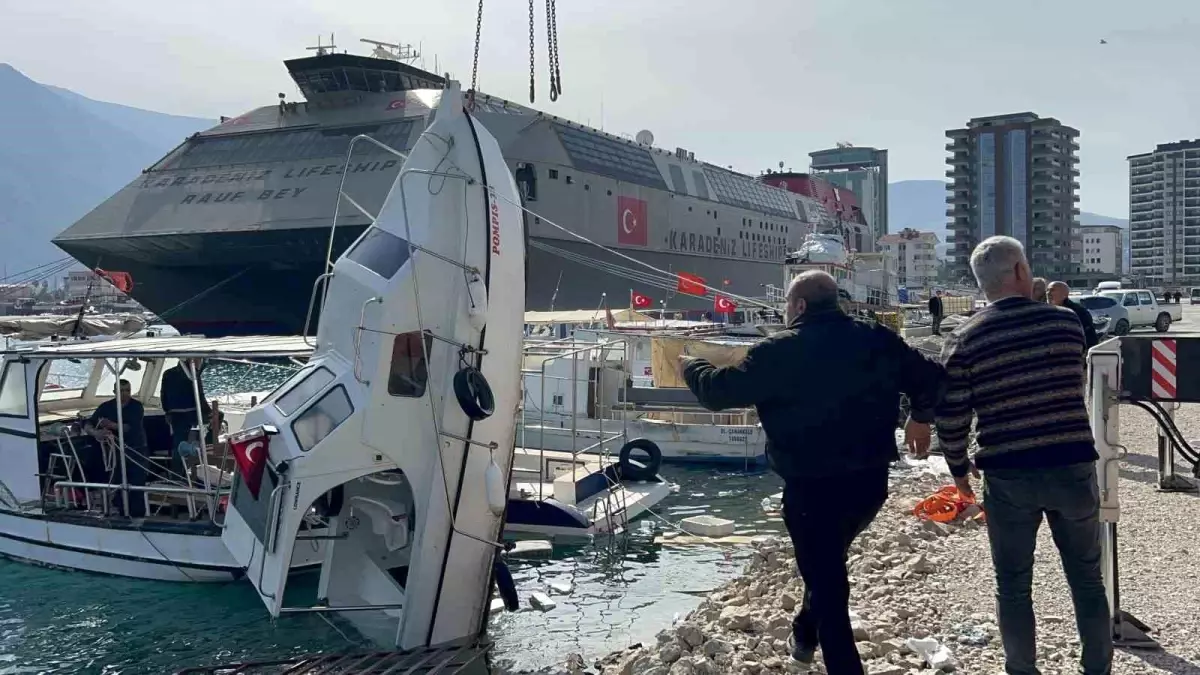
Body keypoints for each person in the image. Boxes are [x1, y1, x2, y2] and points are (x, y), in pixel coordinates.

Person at [679, 271, 945, 674]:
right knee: (825, 567)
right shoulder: (876, 338)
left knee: (829, 585)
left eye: (787, 304)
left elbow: (719, 392)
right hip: (869, 486)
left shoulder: (780, 350)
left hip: (811, 489)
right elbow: (933, 378)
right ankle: (803, 638)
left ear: (799, 305)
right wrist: (920, 418)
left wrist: (689, 366)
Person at [936, 236, 1111, 675]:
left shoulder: (964, 337)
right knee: (1087, 579)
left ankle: (1022, 669)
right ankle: (1097, 669)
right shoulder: (1066, 325)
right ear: (1019, 272)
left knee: (1013, 585)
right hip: (1071, 463)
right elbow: (1072, 385)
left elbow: (952, 417)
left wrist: (960, 475)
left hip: (1008, 473)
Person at [85, 379, 148, 518]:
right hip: (115, 453)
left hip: (135, 451)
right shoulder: (106, 407)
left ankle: (138, 516)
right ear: (114, 392)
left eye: (127, 390)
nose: (125, 394)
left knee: (137, 485)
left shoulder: (136, 407)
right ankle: (121, 513)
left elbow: (129, 428)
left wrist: (110, 425)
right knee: (117, 483)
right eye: (121, 391)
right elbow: (89, 423)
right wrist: (97, 433)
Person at [160, 358, 216, 477]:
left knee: (178, 446)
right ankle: (195, 474)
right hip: (191, 416)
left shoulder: (168, 373)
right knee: (195, 446)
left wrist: (168, 412)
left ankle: (177, 475)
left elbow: (163, 396)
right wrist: (209, 413)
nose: (200, 361)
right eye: (199, 359)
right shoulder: (193, 374)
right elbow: (199, 397)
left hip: (175, 416)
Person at [1047, 281, 1098, 349]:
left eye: (1052, 290)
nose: (1048, 293)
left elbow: (1089, 337)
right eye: (1047, 290)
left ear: (1064, 294)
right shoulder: (1046, 310)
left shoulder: (1078, 312)